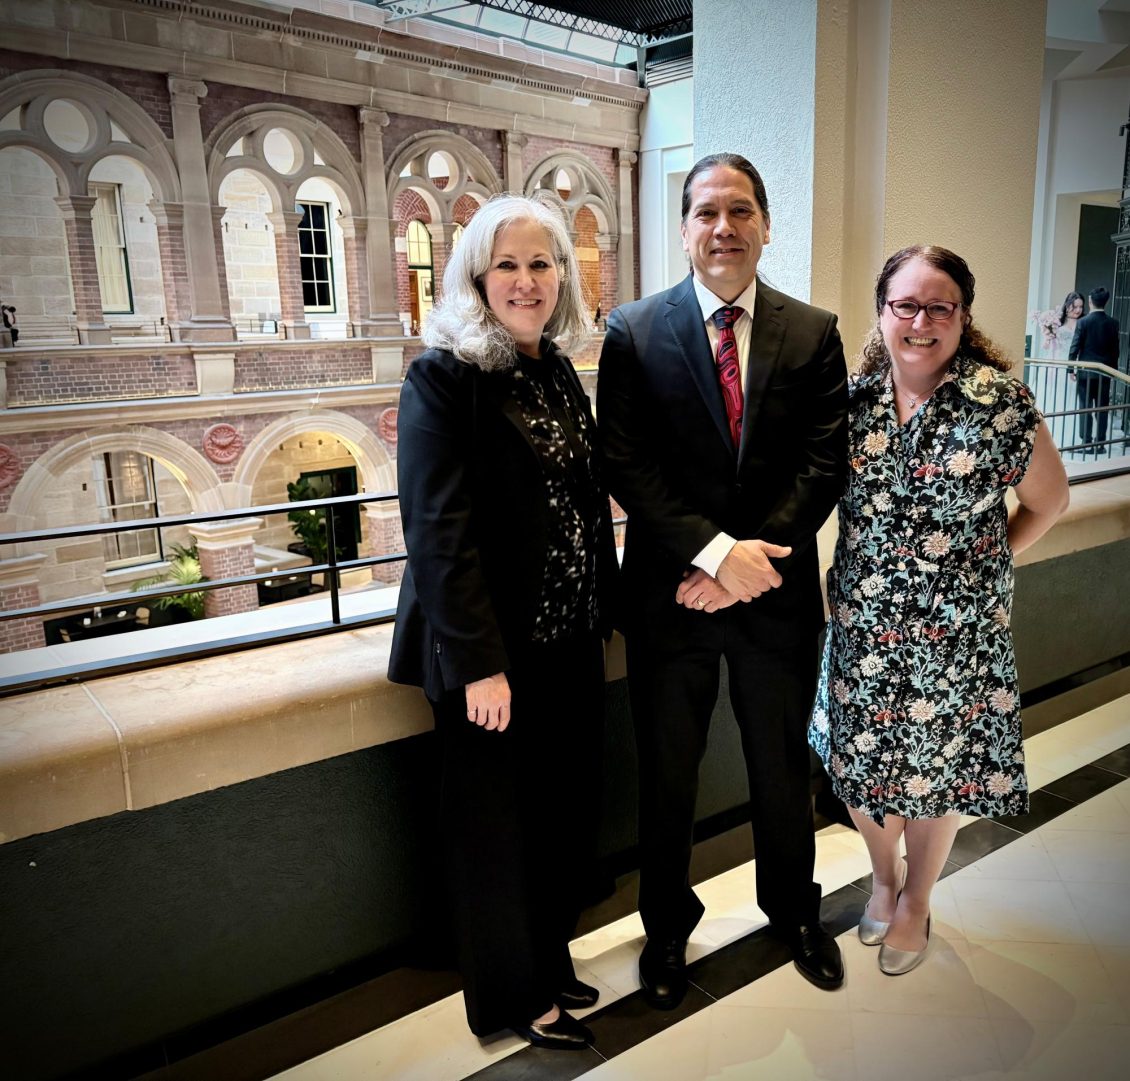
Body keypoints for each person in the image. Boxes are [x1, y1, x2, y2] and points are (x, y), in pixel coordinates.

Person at [597, 152, 849, 1007]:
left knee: (782, 764)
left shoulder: (813, 331)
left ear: (766, 224)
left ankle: (794, 911)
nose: (724, 228)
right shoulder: (632, 330)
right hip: (672, 601)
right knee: (667, 775)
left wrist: (748, 565)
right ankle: (664, 930)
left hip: (776, 600)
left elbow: (823, 465)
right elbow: (626, 464)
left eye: (740, 211)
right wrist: (712, 556)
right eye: (706, 212)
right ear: (683, 228)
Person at [388, 194, 618, 1050]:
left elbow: (581, 504)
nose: (527, 281)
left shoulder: (553, 367)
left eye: (543, 263)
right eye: (508, 265)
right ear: (476, 277)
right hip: (492, 657)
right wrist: (480, 663)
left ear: (564, 277)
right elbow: (437, 531)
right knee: (495, 833)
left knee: (557, 818)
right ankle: (510, 997)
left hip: (565, 639)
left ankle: (547, 961)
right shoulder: (444, 375)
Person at [809, 245, 1069, 976]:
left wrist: (983, 567)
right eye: (906, 305)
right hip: (860, 628)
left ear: (962, 317)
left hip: (958, 635)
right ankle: (883, 876)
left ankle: (917, 898)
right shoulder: (853, 403)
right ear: (882, 311)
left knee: (935, 771)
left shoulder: (999, 404)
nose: (920, 321)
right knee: (861, 767)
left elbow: (1050, 500)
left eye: (939, 307)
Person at [1069, 286, 1121, 452]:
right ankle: (1100, 444)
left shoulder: (1083, 322)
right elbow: (1115, 350)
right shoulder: (1113, 323)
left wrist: (1071, 369)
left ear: (1090, 302)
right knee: (1102, 408)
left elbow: (1075, 346)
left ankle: (1086, 443)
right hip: (1105, 373)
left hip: (1085, 372)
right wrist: (1113, 371)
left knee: (1085, 408)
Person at [1031, 290, 1084, 359]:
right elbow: (1046, 346)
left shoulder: (1083, 322)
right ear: (1067, 306)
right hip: (1059, 359)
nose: (1078, 310)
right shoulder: (1056, 320)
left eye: (1081, 307)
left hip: (1077, 360)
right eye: (1075, 307)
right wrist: (1048, 337)